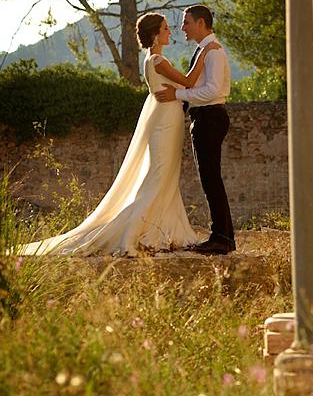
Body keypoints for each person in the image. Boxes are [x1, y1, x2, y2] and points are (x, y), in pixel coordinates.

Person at [17, 13, 218, 256]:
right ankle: (128, 240)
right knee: (157, 178)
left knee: (166, 177)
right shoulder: (157, 61)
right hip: (165, 123)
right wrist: (206, 52)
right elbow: (188, 81)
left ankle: (165, 231)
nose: (170, 31)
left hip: (169, 120)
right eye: (165, 28)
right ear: (155, 34)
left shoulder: (153, 60)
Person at [154, 5, 235, 255]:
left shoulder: (214, 52)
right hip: (204, 117)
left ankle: (221, 238)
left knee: (211, 179)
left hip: (210, 117)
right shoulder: (205, 50)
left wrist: (177, 94)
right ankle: (223, 236)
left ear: (201, 23)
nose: (182, 27)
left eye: (186, 22)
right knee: (209, 178)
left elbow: (212, 90)